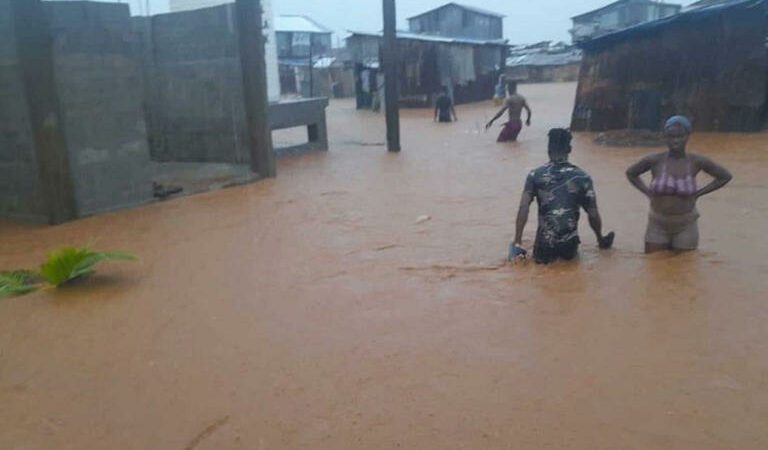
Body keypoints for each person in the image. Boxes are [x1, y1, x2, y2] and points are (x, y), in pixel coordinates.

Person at [626, 115, 732, 253]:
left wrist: (699, 194)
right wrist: (648, 192)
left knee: (683, 268)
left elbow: (724, 176)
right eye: (670, 136)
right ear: (664, 137)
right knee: (653, 265)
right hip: (657, 223)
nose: (675, 141)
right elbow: (631, 173)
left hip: (686, 224)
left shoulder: (696, 161)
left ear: (688, 136)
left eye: (680, 136)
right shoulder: (654, 160)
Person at [511, 128, 614, 264]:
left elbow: (524, 207)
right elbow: (593, 213)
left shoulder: (535, 175)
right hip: (569, 246)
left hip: (544, 245)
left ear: (548, 149)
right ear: (569, 149)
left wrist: (517, 241)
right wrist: (600, 240)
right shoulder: (582, 177)